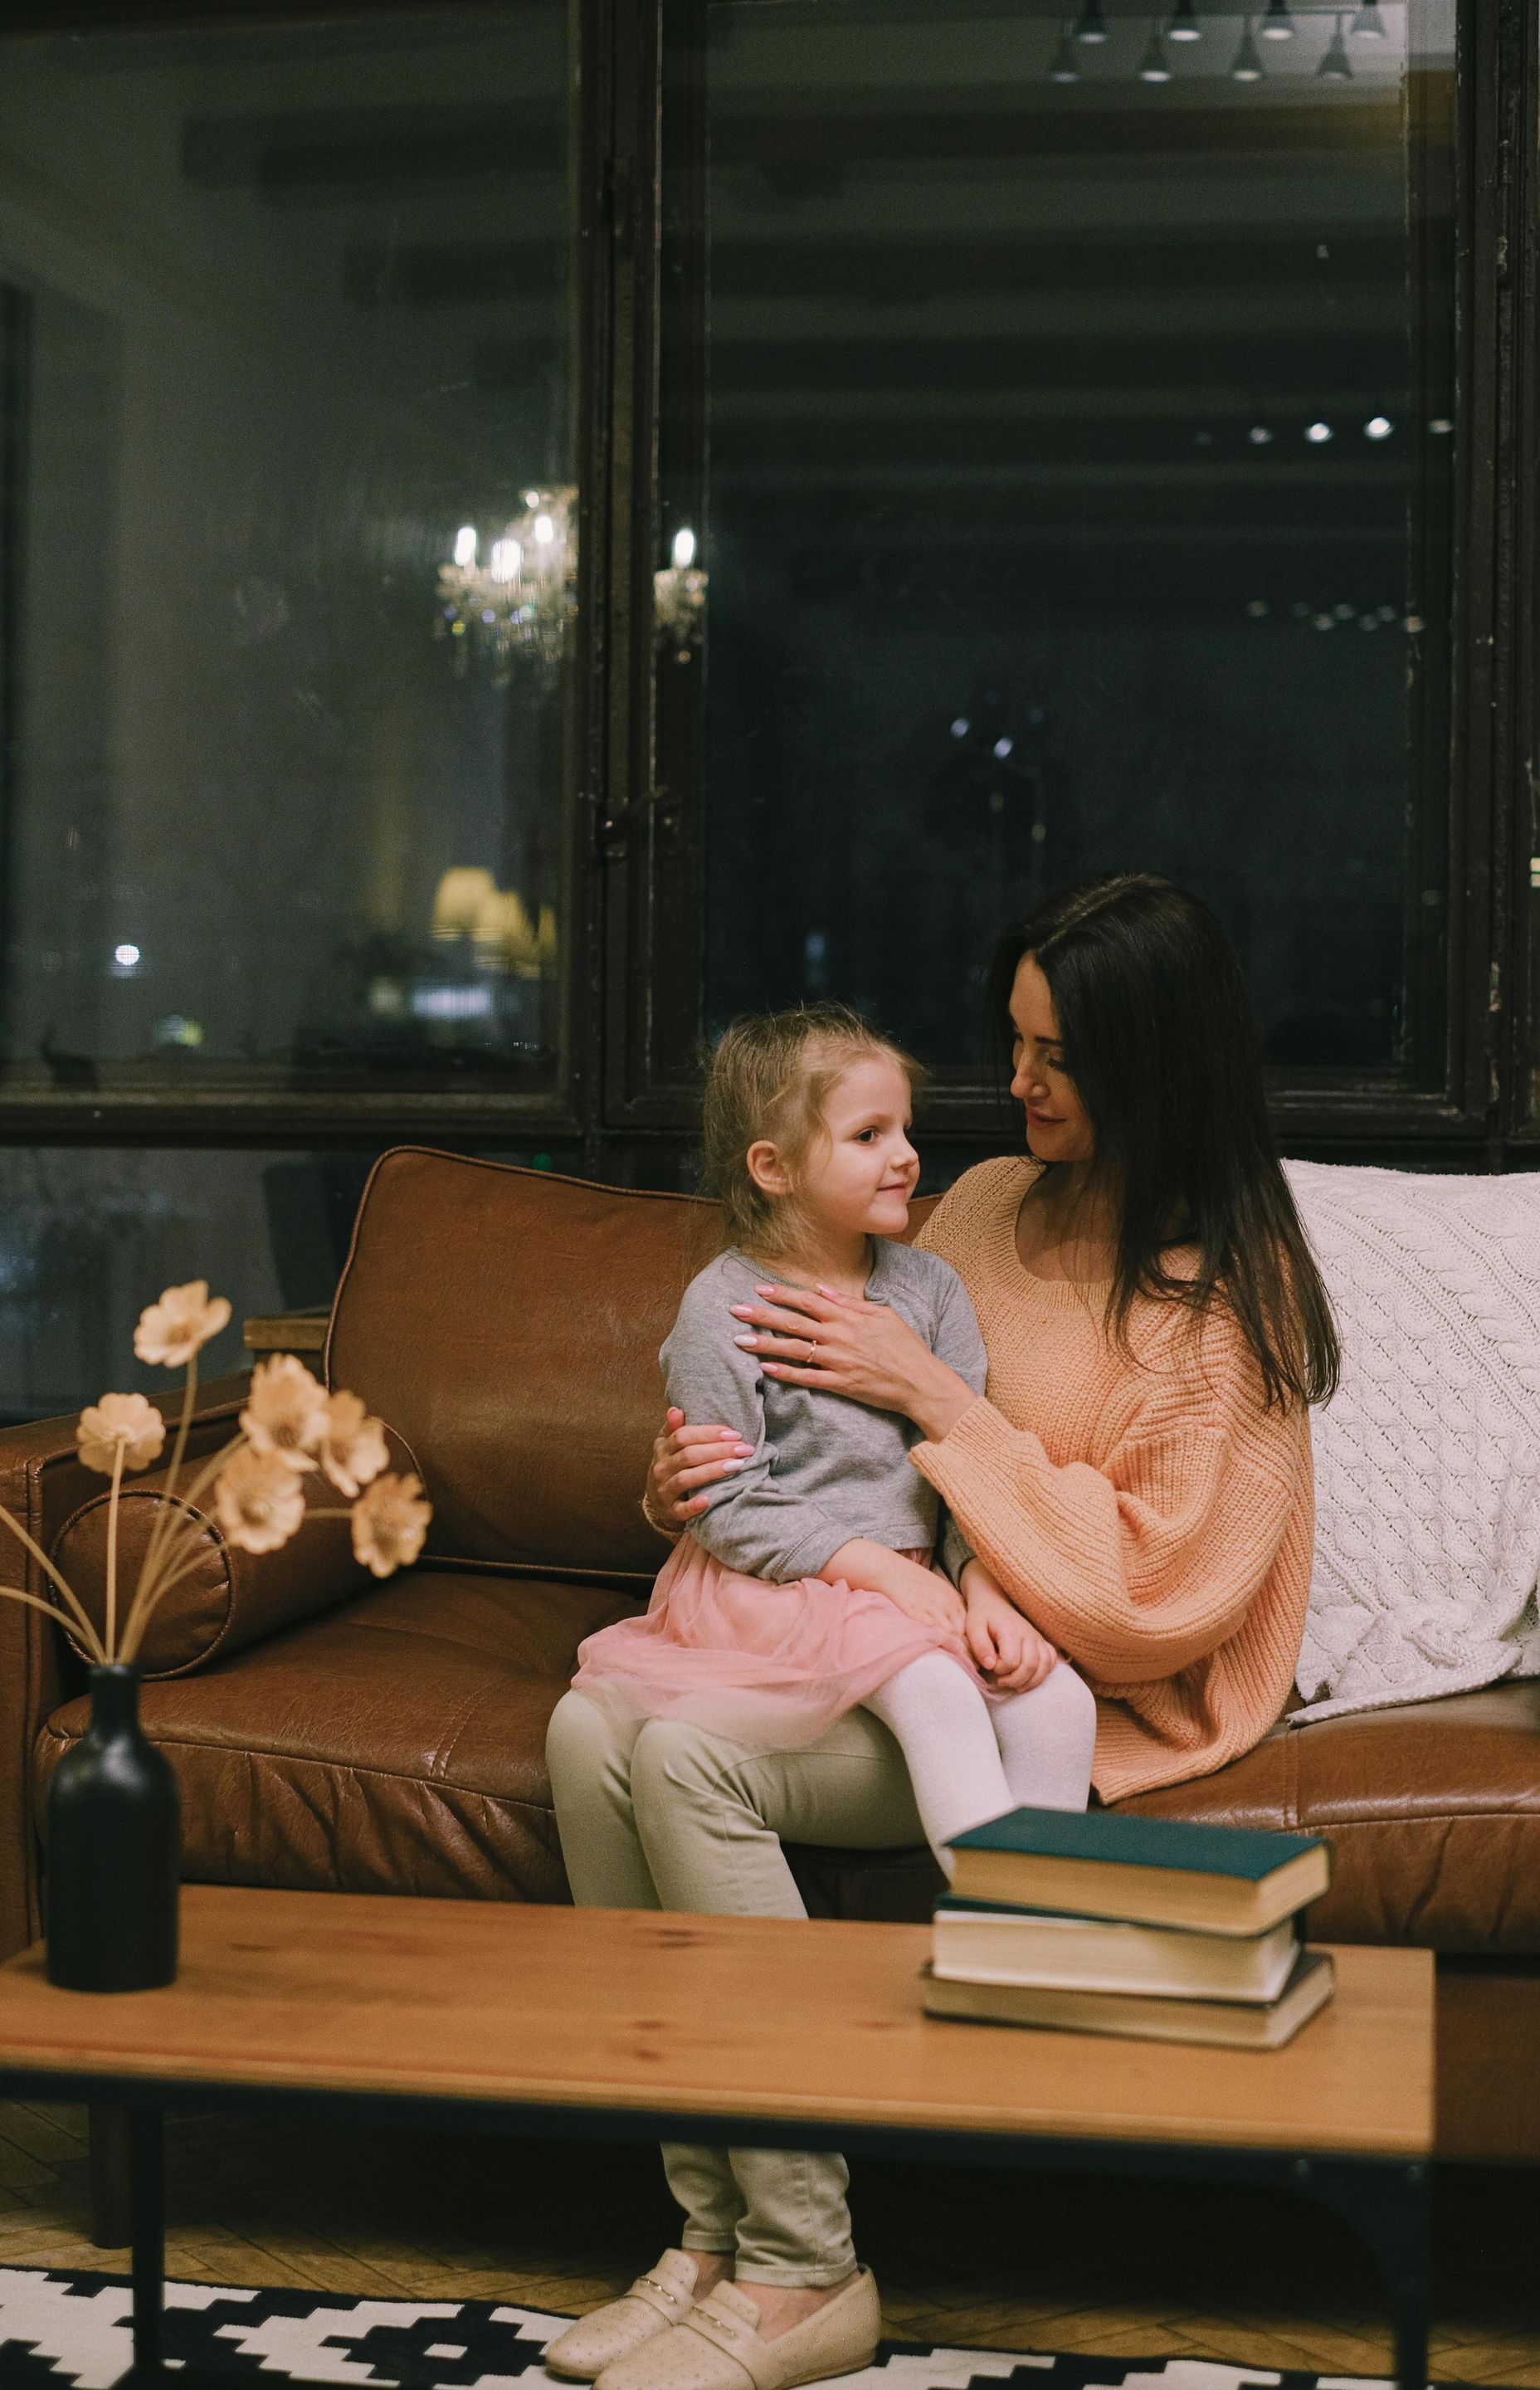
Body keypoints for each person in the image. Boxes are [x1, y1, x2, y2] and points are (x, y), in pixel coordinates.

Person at [544, 874, 1338, 2390]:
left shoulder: (1223, 1304)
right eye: (1017, 1041)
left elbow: (1148, 1602)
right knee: (588, 1730)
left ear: (1154, 1065)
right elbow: (825, 1458)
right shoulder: (974, 1209)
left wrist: (940, 1402)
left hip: (1068, 1698)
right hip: (879, 1637)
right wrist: (685, 1489)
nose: (1018, 1082)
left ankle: (805, 2264)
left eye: (1058, 1056)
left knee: (689, 1761)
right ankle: (708, 2233)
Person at [566, 1003, 1096, 1867]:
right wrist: (881, 1570)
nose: (905, 1156)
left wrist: (985, 1586)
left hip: (914, 1583)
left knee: (1061, 1705)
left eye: (904, 1130)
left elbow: (967, 1470)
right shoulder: (721, 1307)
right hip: (784, 1580)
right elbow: (726, 1502)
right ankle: (1010, 1930)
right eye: (867, 1135)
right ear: (772, 1168)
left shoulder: (932, 1292)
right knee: (935, 1690)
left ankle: (1044, 1929)